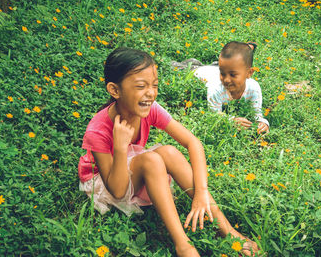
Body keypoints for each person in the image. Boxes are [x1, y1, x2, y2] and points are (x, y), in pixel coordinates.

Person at [78, 47, 259, 256]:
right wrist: (119, 148)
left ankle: (227, 230)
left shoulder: (150, 108)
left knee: (169, 152)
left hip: (132, 165)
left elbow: (193, 143)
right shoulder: (98, 130)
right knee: (152, 160)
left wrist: (200, 192)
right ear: (115, 90)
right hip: (107, 181)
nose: (151, 93)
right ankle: (183, 244)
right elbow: (117, 190)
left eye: (154, 85)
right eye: (140, 86)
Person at [194, 41, 269, 134]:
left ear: (249, 73)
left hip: (219, 67)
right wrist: (232, 121)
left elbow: (256, 113)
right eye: (222, 73)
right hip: (200, 71)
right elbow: (214, 115)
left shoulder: (254, 88)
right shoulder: (215, 89)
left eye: (233, 75)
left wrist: (262, 123)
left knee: (232, 63)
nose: (226, 80)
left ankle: (247, 48)